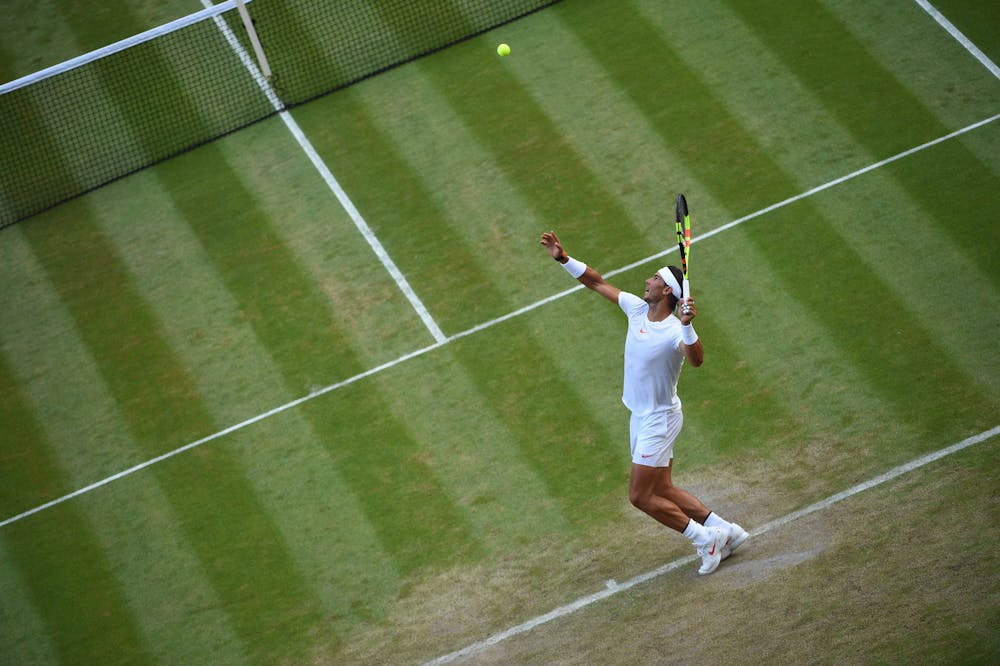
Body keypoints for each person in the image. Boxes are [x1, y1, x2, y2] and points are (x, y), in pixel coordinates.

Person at [540, 230, 748, 575]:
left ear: (667, 290)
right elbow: (596, 282)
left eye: (653, 279)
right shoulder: (636, 309)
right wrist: (563, 258)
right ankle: (728, 530)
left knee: (640, 496)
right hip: (639, 415)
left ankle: (705, 540)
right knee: (662, 487)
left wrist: (687, 326)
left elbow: (695, 360)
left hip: (659, 419)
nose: (646, 281)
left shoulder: (673, 331)